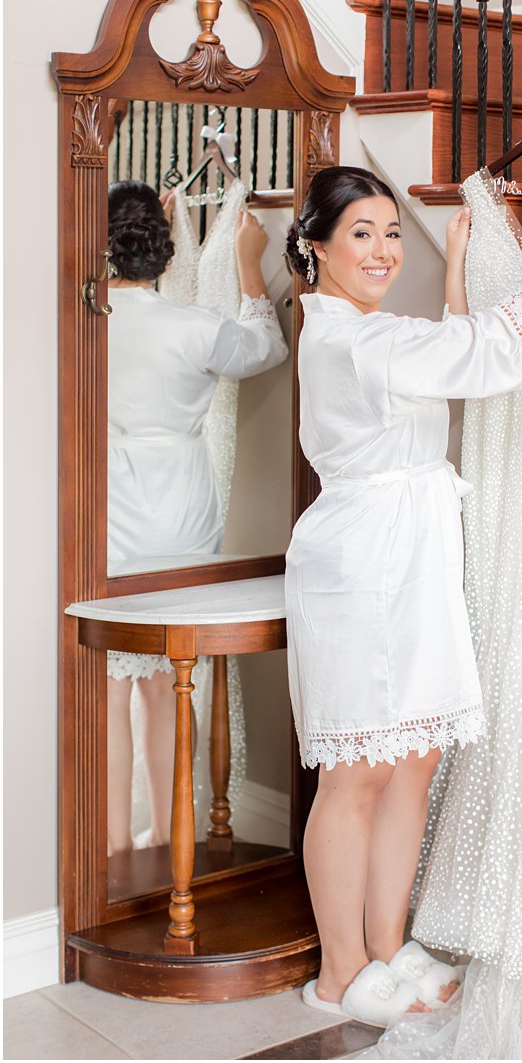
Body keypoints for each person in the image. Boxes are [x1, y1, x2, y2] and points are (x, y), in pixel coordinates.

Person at [285, 164, 522, 1028]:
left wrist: (452, 270)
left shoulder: (379, 335)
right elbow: (486, 350)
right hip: (363, 565)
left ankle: (388, 942)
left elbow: (448, 360)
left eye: (389, 232)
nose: (380, 249)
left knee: (414, 758)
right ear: (317, 248)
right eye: (360, 233)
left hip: (414, 558)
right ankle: (340, 972)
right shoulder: (346, 341)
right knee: (357, 769)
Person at [103, 179, 287, 856]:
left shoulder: (84, 318)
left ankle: (115, 842)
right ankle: (164, 834)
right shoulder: (191, 328)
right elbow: (267, 348)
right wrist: (246, 263)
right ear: (167, 243)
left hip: (109, 501)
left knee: (108, 687)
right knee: (163, 683)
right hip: (180, 506)